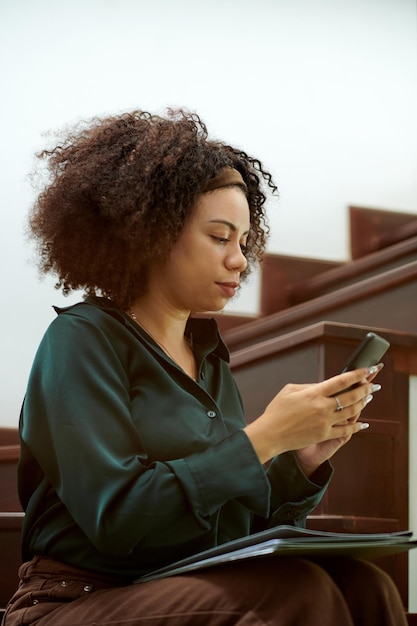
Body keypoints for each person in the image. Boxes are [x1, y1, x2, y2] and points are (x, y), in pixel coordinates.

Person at [3, 109, 406, 626]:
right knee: (297, 593)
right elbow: (119, 520)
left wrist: (300, 459)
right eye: (219, 237)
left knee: (365, 584)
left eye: (244, 242)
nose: (240, 260)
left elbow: (230, 526)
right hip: (76, 599)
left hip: (179, 580)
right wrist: (261, 438)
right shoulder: (81, 341)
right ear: (151, 234)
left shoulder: (209, 358)